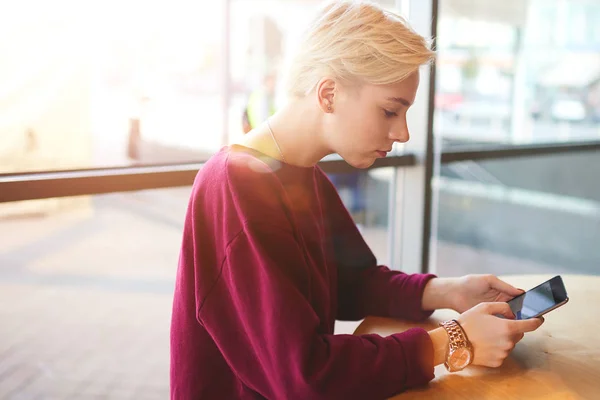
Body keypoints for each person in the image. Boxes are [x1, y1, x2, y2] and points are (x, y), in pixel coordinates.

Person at [170, 1, 544, 399]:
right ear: (329, 94)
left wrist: (448, 291)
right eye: (389, 112)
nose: (403, 134)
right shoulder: (237, 185)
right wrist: (453, 340)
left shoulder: (301, 174)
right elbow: (304, 374)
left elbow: (350, 282)